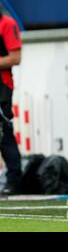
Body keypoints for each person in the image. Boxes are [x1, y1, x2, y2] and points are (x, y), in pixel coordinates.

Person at [0, 11, 22, 195]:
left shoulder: (7, 23)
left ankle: (14, 181)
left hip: (2, 86)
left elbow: (15, 57)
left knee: (4, 134)